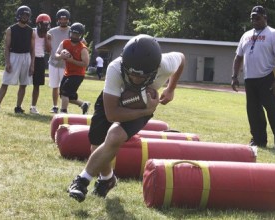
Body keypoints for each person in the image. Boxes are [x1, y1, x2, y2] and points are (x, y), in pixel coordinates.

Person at [67, 34, 185, 202]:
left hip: (143, 104)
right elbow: (112, 113)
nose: (135, 79)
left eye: (141, 76)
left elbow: (182, 58)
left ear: (155, 68)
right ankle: (107, 179)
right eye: (132, 73)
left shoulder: (165, 64)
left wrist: (171, 88)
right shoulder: (115, 68)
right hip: (115, 101)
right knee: (97, 145)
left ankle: (81, 180)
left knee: (115, 136)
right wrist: (146, 112)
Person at [231, 5, 275, 149]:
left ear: (265, 18)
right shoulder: (246, 35)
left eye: (257, 17)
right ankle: (258, 140)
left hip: (268, 77)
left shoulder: (274, 34)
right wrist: (234, 76)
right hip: (250, 79)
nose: (254, 20)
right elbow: (238, 57)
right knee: (254, 112)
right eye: (252, 18)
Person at [0, 5, 35, 113]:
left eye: (27, 15)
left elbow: (32, 49)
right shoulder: (10, 29)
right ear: (19, 15)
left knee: (23, 84)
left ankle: (18, 107)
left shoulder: (31, 31)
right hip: (14, 55)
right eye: (23, 15)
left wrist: (32, 65)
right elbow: (6, 47)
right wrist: (7, 62)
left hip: (26, 57)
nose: (25, 17)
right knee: (5, 82)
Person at [55, 22, 90, 114]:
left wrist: (72, 60)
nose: (74, 36)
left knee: (65, 93)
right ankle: (83, 104)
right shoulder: (65, 42)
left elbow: (86, 64)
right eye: (73, 33)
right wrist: (61, 56)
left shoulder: (83, 48)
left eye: (77, 34)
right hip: (68, 73)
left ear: (81, 35)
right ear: (70, 32)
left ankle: (63, 112)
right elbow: (56, 54)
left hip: (78, 74)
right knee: (66, 96)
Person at [46, 9, 71, 113]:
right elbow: (46, 46)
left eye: (65, 19)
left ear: (68, 19)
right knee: (54, 86)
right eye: (61, 18)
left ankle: (63, 108)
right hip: (53, 62)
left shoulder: (72, 31)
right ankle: (55, 106)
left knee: (64, 88)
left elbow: (82, 42)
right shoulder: (51, 32)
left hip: (66, 64)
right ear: (58, 19)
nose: (63, 20)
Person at [30, 13, 51, 114]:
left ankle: (33, 106)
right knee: (24, 83)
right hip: (30, 58)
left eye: (47, 25)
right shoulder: (32, 32)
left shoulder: (48, 35)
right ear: (39, 24)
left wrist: (46, 37)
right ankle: (19, 105)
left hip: (40, 59)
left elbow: (48, 50)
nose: (45, 26)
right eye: (43, 24)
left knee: (37, 85)